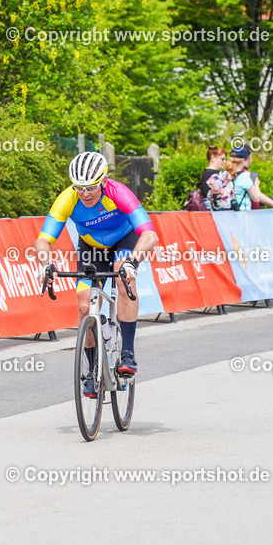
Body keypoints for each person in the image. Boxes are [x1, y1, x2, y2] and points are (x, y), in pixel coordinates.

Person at [35, 152, 158, 395]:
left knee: (123, 278)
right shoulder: (67, 199)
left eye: (91, 187)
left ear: (103, 180)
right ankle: (92, 370)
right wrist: (46, 264)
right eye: (79, 187)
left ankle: (127, 353)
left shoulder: (118, 193)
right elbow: (43, 241)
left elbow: (149, 235)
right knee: (84, 306)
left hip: (123, 242)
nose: (85, 194)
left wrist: (132, 262)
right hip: (91, 248)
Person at [223, 146, 273, 213]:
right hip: (242, 215)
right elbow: (257, 198)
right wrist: (256, 185)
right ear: (243, 160)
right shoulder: (244, 177)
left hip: (225, 215)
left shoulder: (223, 174)